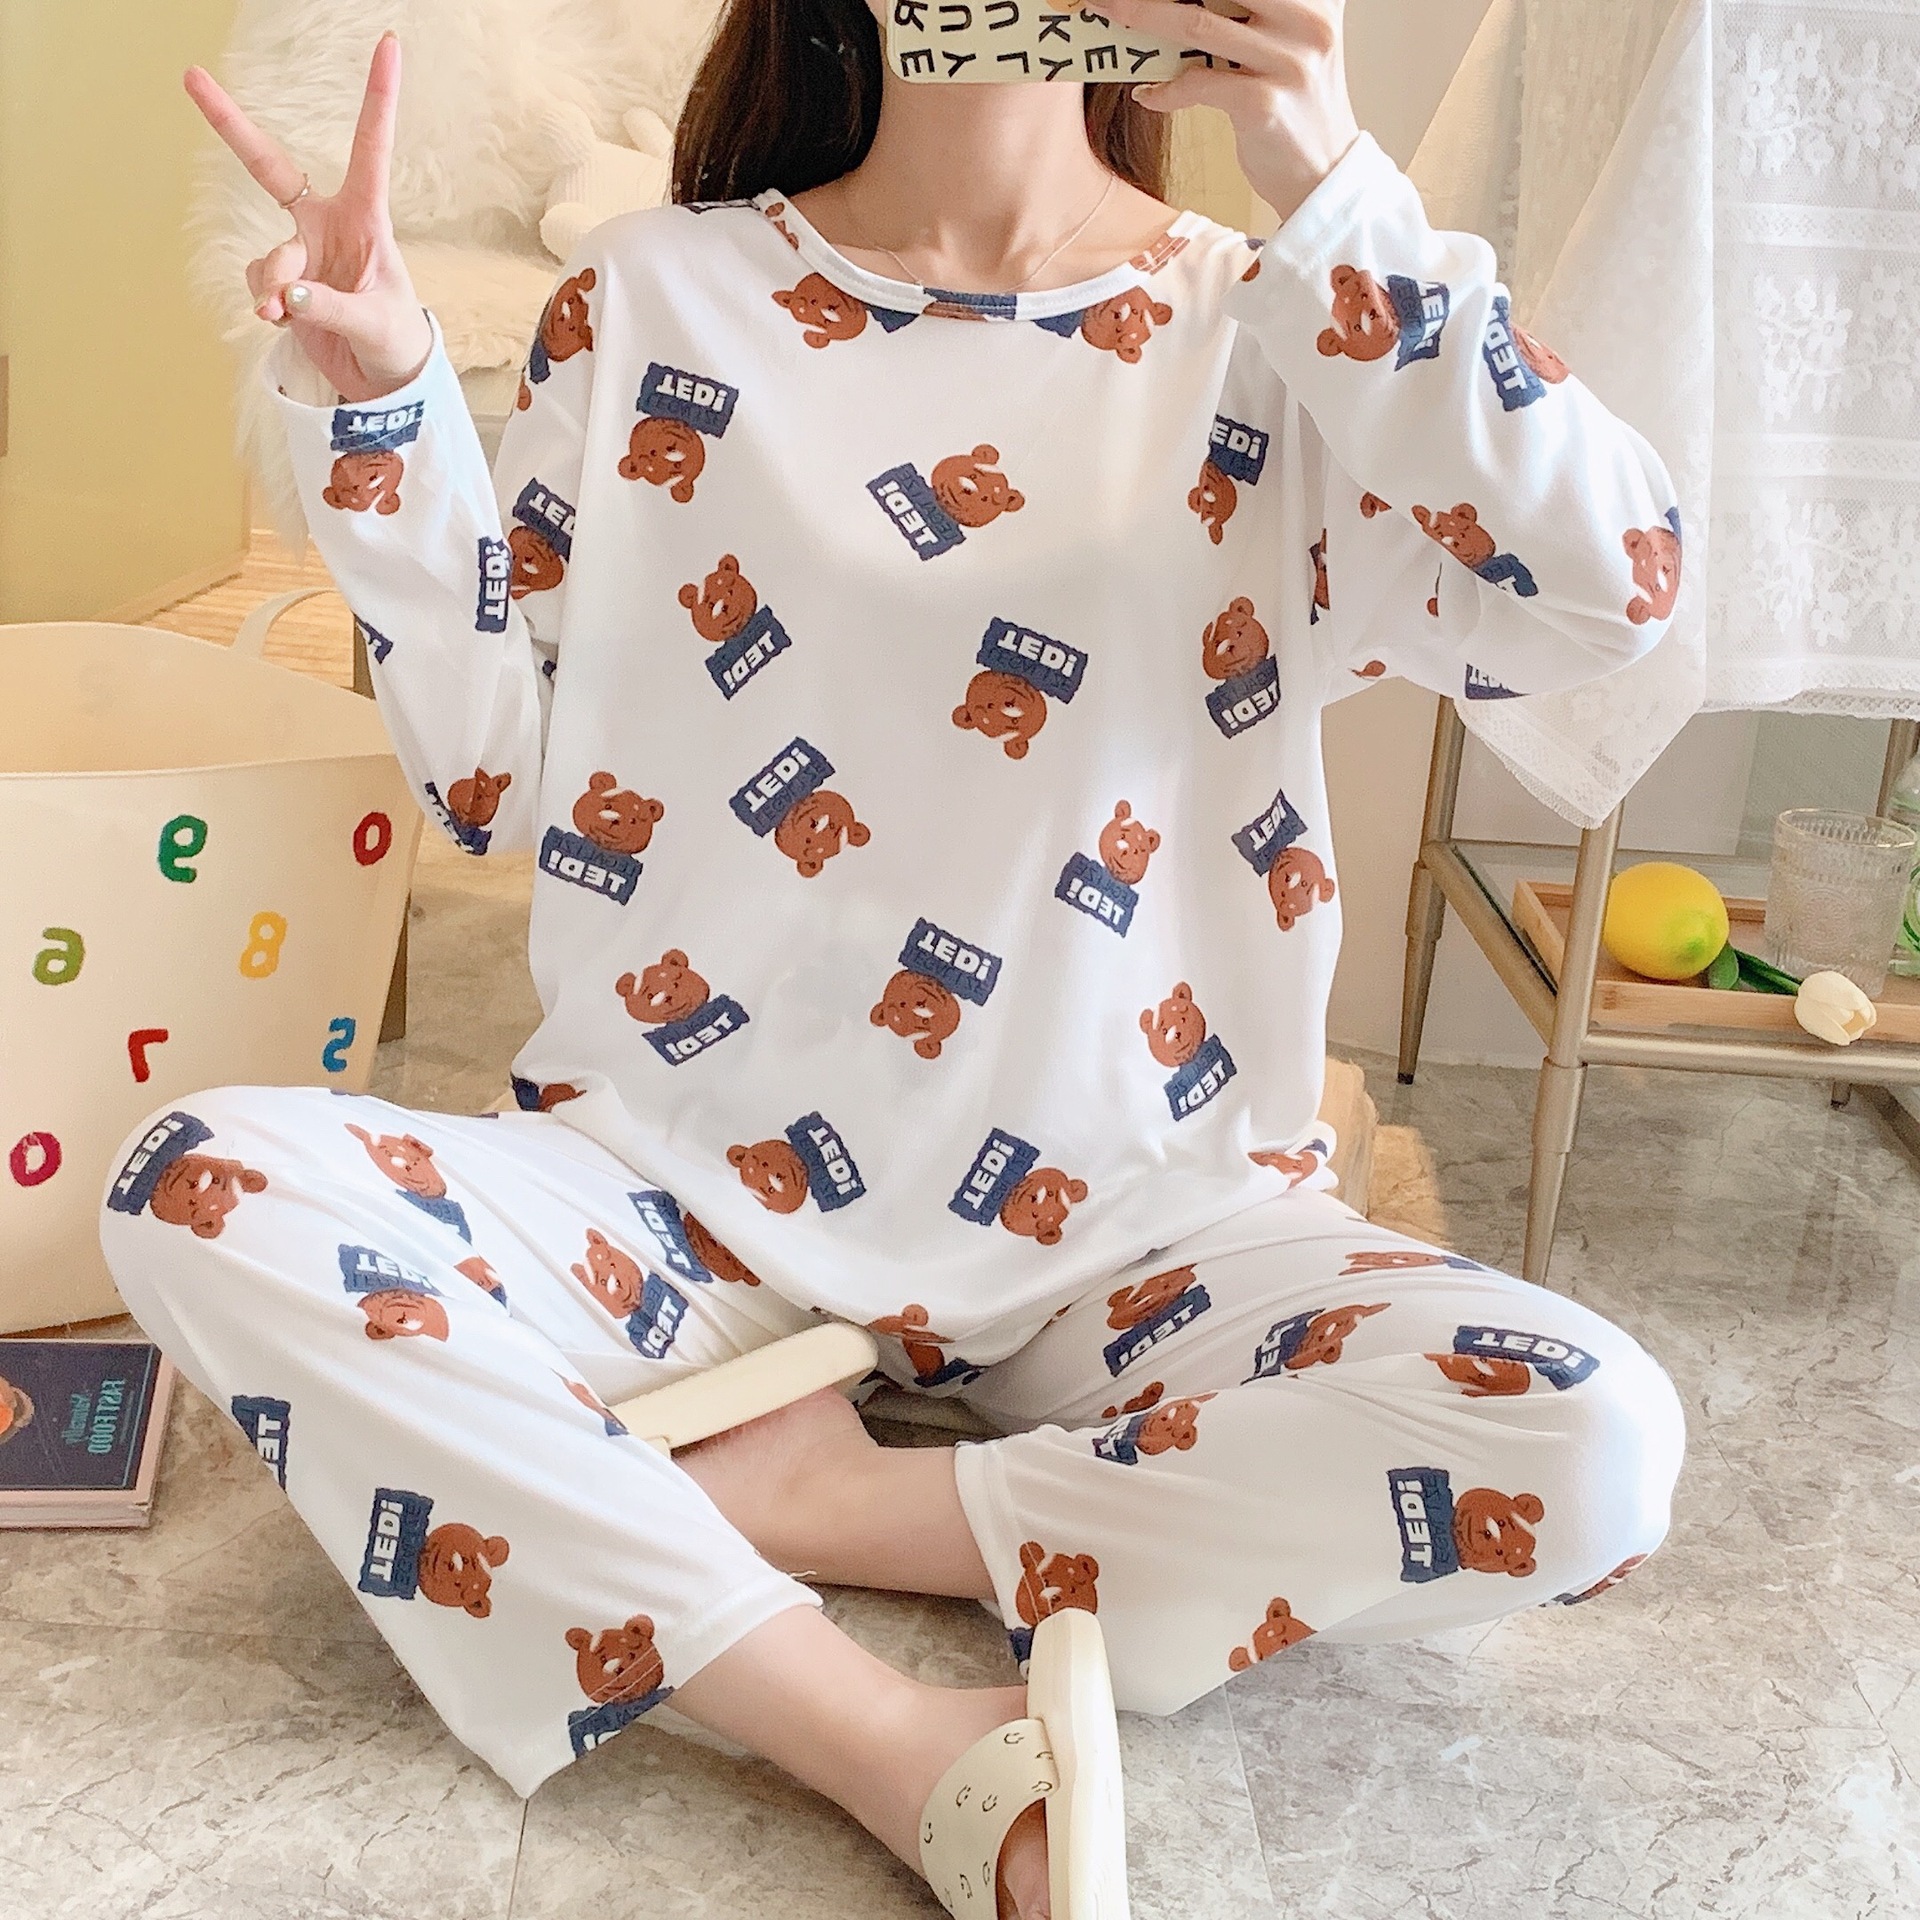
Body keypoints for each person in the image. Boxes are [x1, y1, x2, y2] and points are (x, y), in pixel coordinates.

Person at [111, 3, 1687, 1913]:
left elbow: (1614, 596)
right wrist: (377, 400)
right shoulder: (654, 297)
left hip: (1147, 1230)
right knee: (202, 1186)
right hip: (688, 1207)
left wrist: (1338, 189)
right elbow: (492, 780)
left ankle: (827, 1501)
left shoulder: (1277, 321)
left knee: (1592, 1434)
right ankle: (874, 1735)